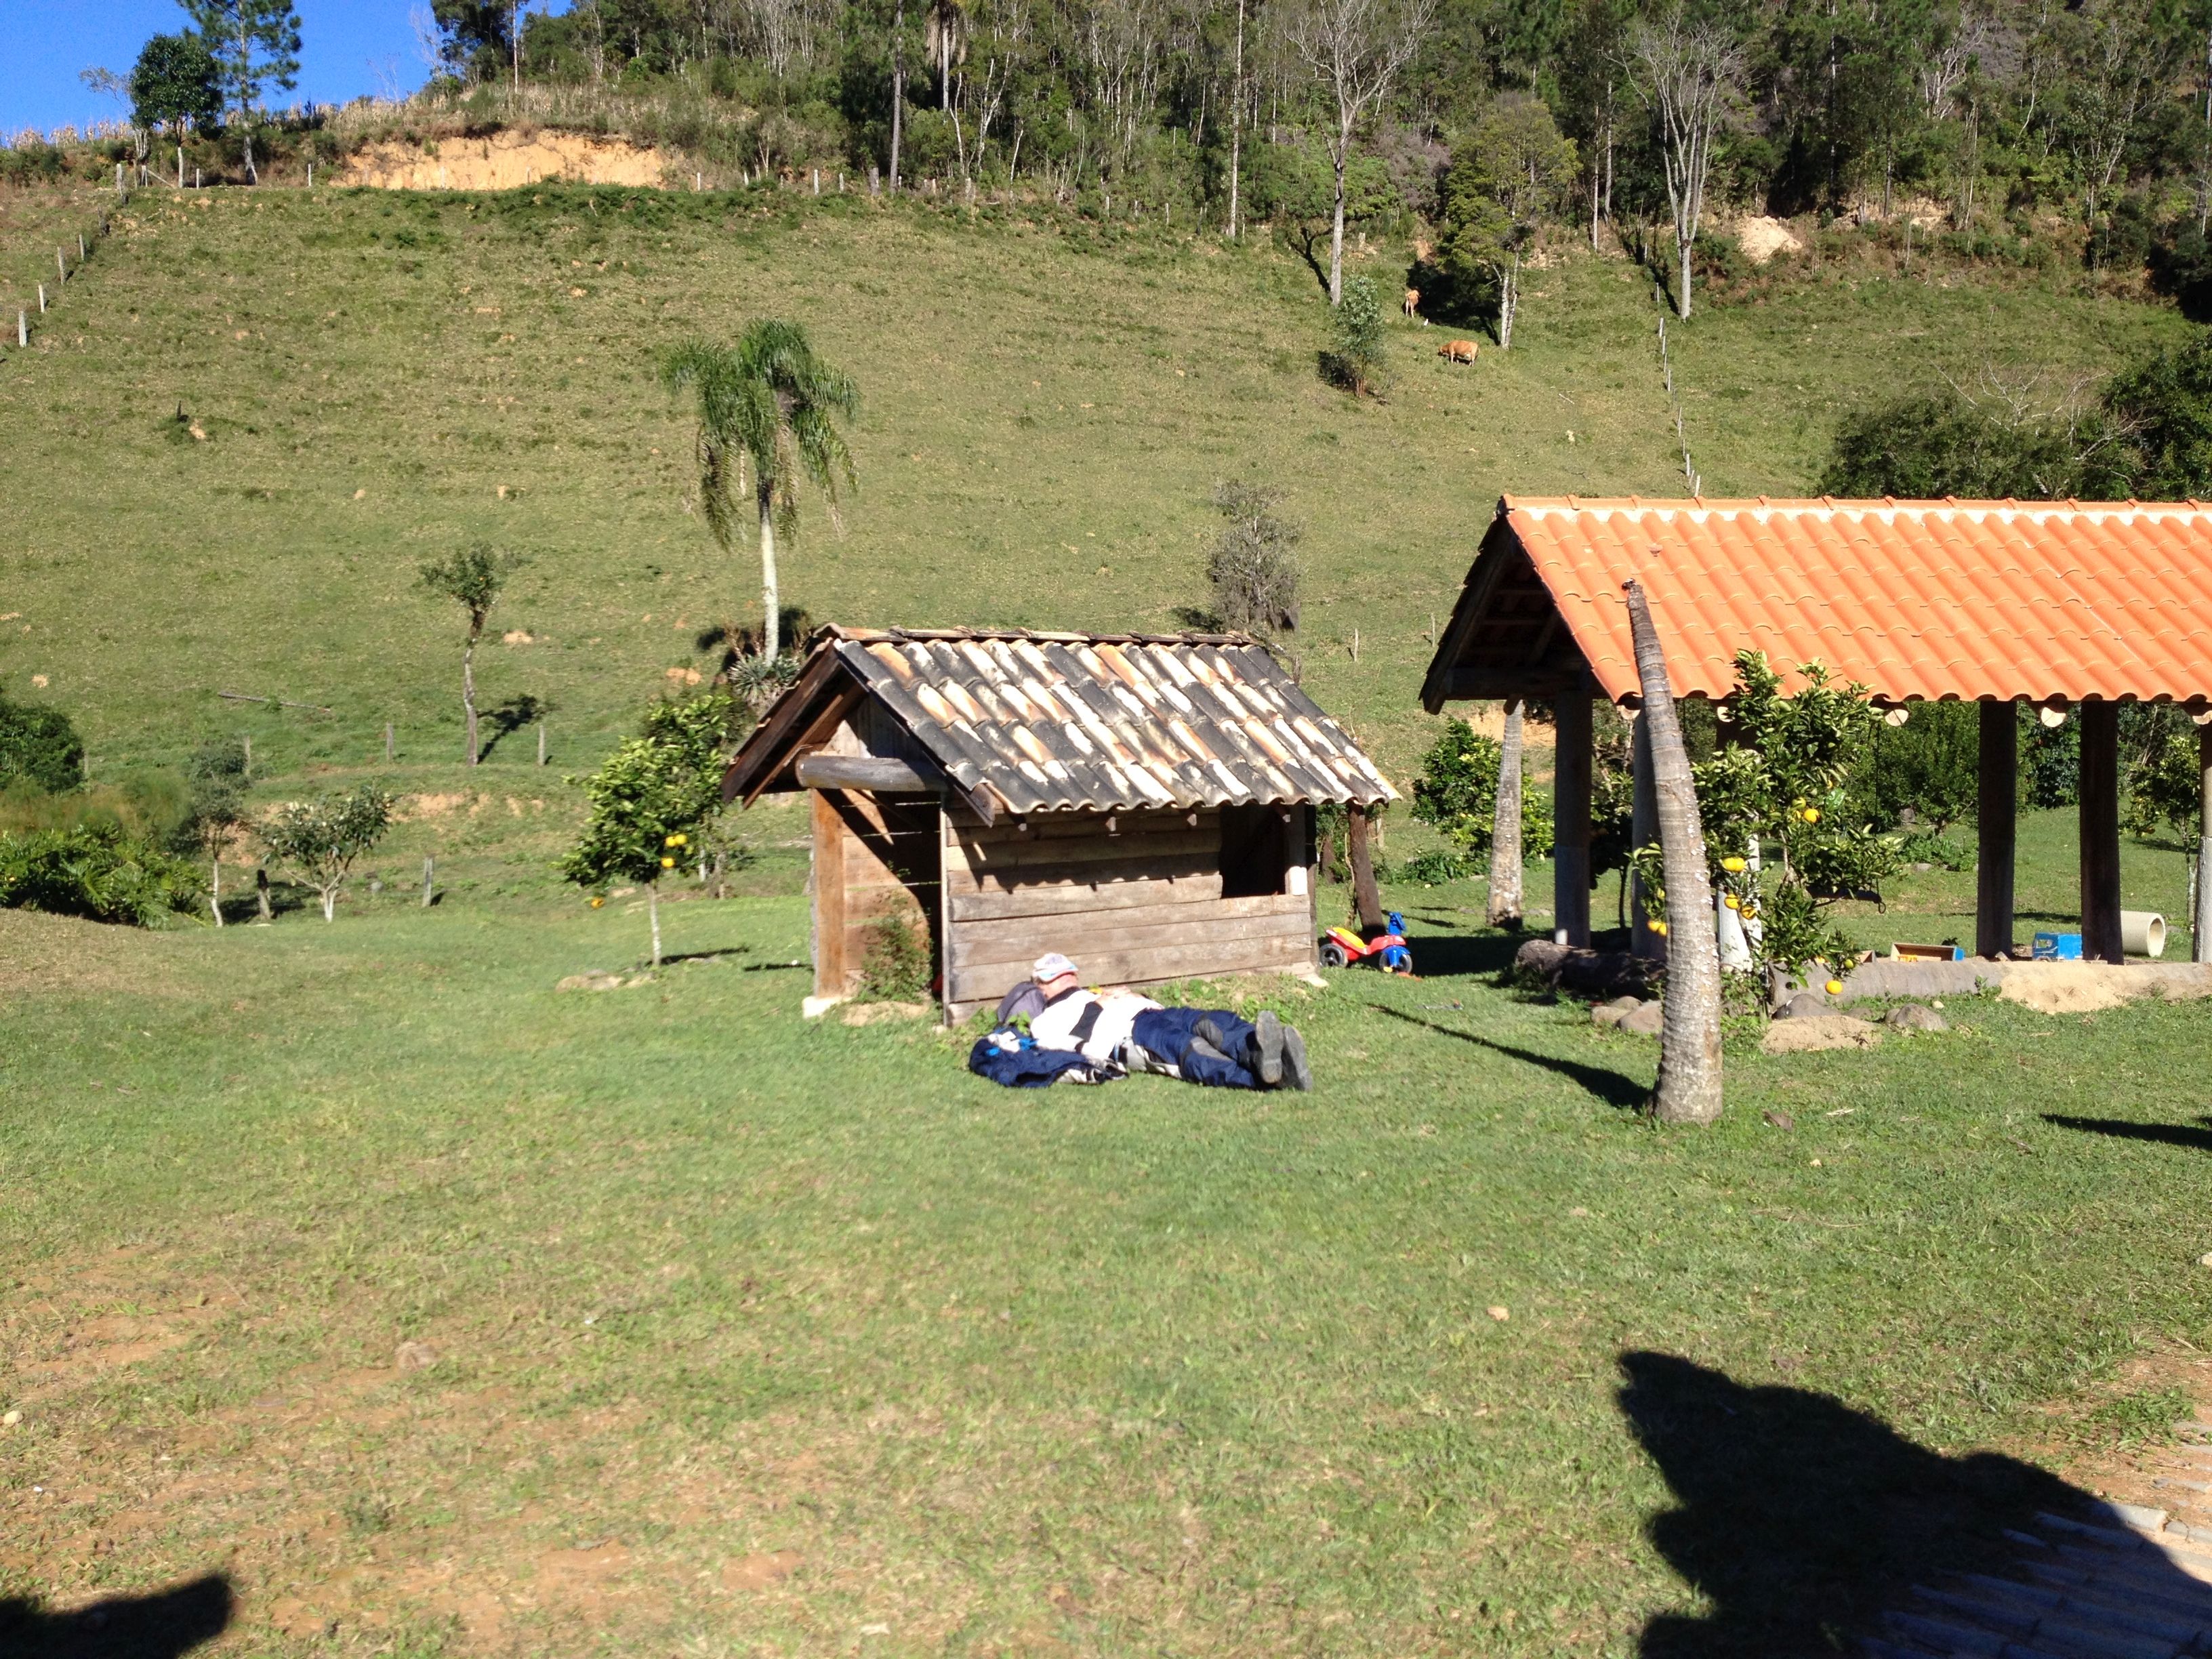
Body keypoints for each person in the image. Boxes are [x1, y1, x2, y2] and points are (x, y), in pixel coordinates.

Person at [1006, 952, 1313, 1090]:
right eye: (1059, 975)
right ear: (1042, 986)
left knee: (1214, 1022)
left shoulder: (1092, 992)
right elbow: (1076, 1048)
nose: (1069, 977)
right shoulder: (1045, 1021)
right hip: (1132, 1033)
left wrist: (1125, 996)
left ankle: (1260, 1053)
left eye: (1070, 971)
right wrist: (1098, 1006)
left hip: (1155, 1012)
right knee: (1192, 1051)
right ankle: (1271, 1078)